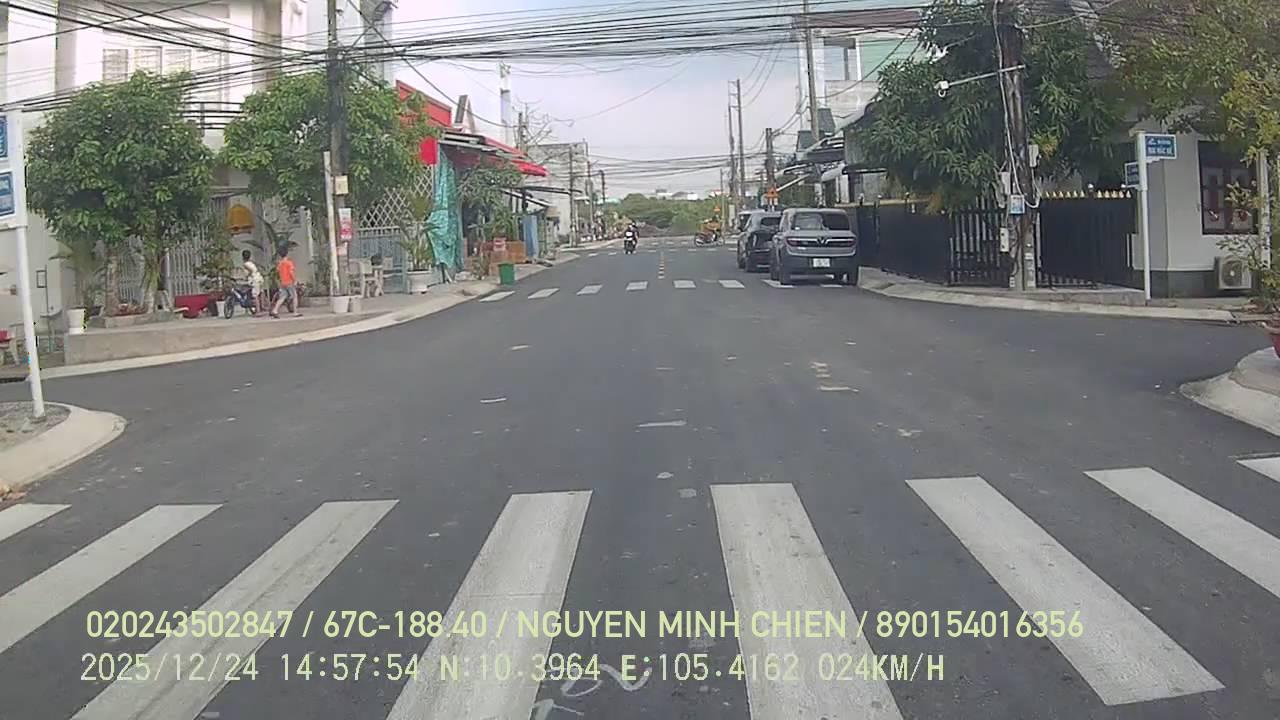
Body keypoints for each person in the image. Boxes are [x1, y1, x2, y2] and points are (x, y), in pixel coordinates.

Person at [270, 246, 300, 318]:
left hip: (283, 282)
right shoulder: (289, 263)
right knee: (294, 296)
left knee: (282, 297)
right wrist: (295, 280)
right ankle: (295, 312)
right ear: (287, 253)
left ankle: (275, 310)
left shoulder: (280, 263)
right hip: (289, 282)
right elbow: (291, 272)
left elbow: (278, 271)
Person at [242, 249, 264, 314]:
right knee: (261, 292)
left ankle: (258, 311)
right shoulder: (251, 263)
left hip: (254, 279)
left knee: (255, 295)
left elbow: (251, 271)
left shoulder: (245, 264)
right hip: (259, 277)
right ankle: (263, 306)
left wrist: (247, 276)